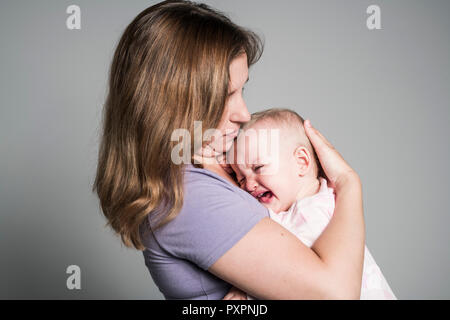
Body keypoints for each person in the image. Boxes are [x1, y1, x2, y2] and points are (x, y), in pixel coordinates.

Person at [93, 0, 365, 299]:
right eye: (225, 95)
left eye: (242, 89)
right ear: (172, 102)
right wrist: (349, 183)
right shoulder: (186, 195)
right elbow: (336, 295)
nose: (244, 114)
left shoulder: (223, 157)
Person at [223, 108, 396, 300]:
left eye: (258, 168)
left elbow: (289, 272)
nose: (248, 184)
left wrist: (244, 289)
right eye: (239, 179)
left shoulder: (312, 211)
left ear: (302, 162)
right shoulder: (322, 201)